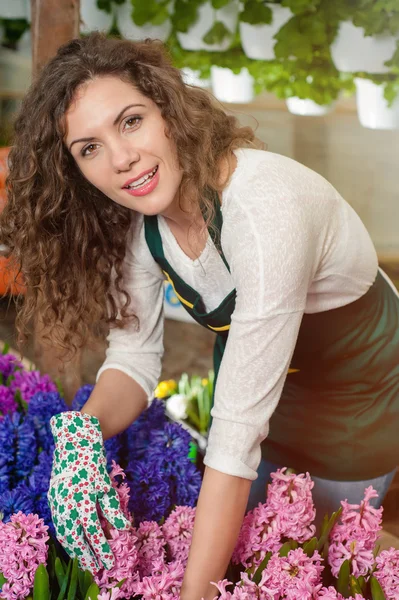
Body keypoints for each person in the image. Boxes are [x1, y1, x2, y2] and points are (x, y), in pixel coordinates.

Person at [2, 32, 399, 600]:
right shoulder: (147, 223)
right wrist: (83, 433)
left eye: (131, 121)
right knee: (244, 544)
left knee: (322, 554)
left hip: (355, 404)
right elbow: (135, 360)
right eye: (88, 148)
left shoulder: (264, 213)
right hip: (263, 390)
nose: (121, 158)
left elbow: (235, 438)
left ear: (168, 109)